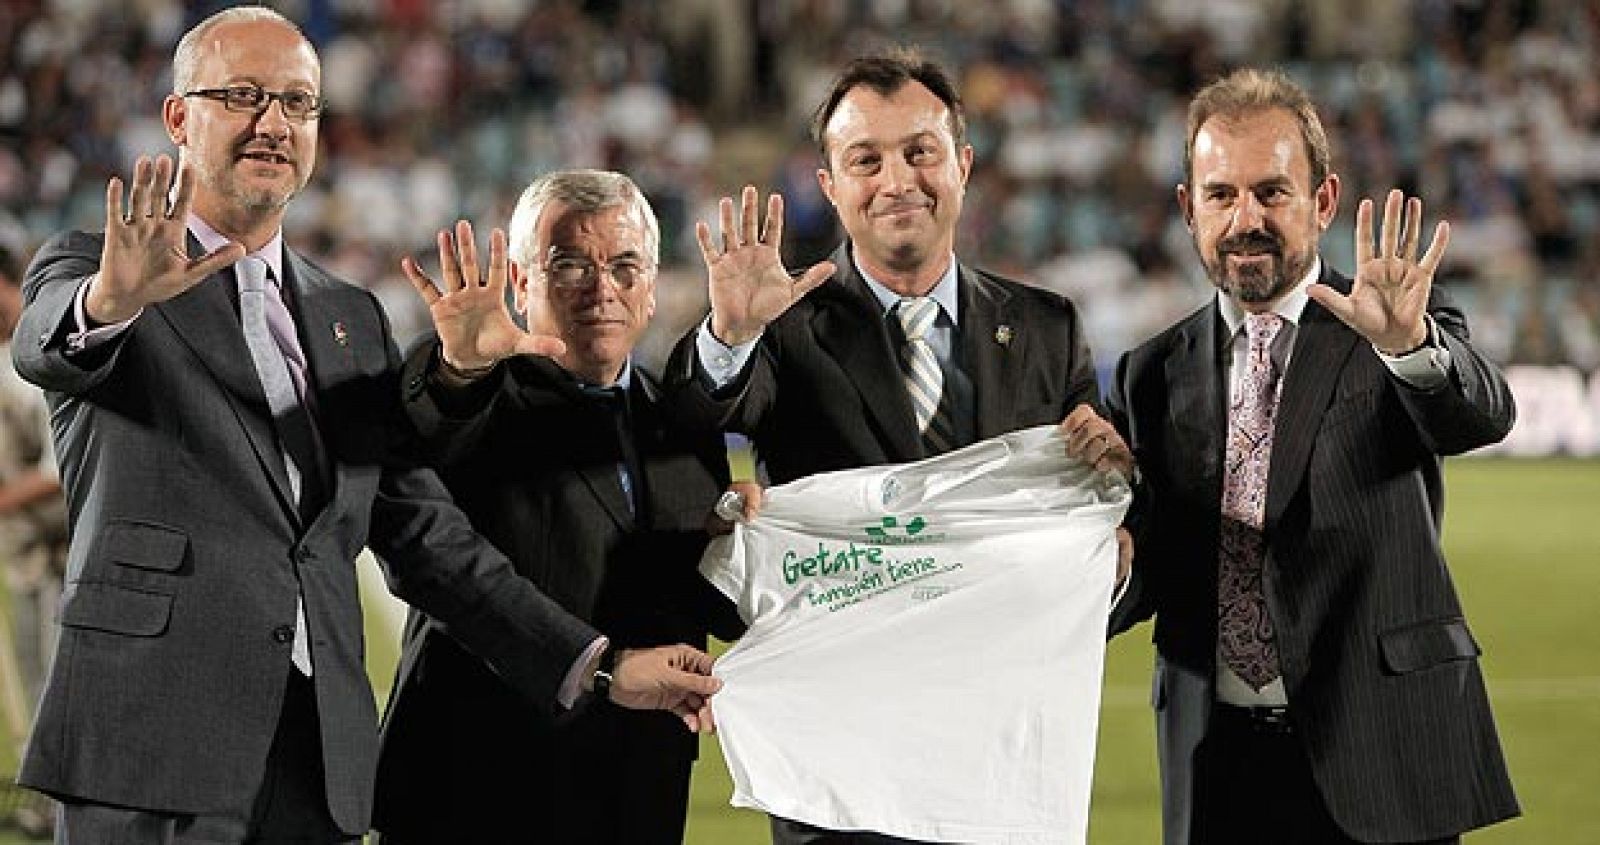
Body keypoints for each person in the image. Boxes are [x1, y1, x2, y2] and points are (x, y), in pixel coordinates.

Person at [11, 8, 719, 843]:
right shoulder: (91, 269)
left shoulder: (347, 316)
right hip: (154, 754)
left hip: (322, 766)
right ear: (178, 118)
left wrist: (601, 666)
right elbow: (51, 344)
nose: (273, 123)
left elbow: (430, 540)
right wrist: (111, 300)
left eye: (298, 104)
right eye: (242, 96)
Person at [663, 47, 1132, 844]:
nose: (896, 180)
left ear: (963, 164)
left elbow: (1093, 516)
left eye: (920, 152)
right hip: (843, 773)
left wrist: (1114, 521)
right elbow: (692, 419)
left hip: (1001, 760)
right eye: (865, 160)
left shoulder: (1049, 327)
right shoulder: (784, 329)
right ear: (830, 186)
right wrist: (729, 335)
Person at [1106, 68, 1519, 844]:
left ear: (1322, 201)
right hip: (1213, 764)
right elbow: (1152, 567)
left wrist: (1409, 345)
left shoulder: (1389, 327)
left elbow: (1481, 412)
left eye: (1272, 192)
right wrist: (1105, 554)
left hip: (1380, 751)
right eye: (1222, 195)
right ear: (1187, 208)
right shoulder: (1150, 372)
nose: (1246, 219)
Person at [373, 170, 746, 843]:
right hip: (477, 793)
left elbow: (710, 607)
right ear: (520, 284)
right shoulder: (476, 392)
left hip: (639, 793)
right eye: (569, 264)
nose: (601, 288)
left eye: (625, 265)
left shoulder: (684, 424)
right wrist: (458, 372)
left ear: (653, 284)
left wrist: (743, 544)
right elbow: (430, 434)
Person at [0, 244, 67, 838]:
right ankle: (44, 800)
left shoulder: (40, 351)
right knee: (29, 673)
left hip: (61, 550)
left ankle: (55, 805)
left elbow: (54, 472)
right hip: (24, 552)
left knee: (54, 680)